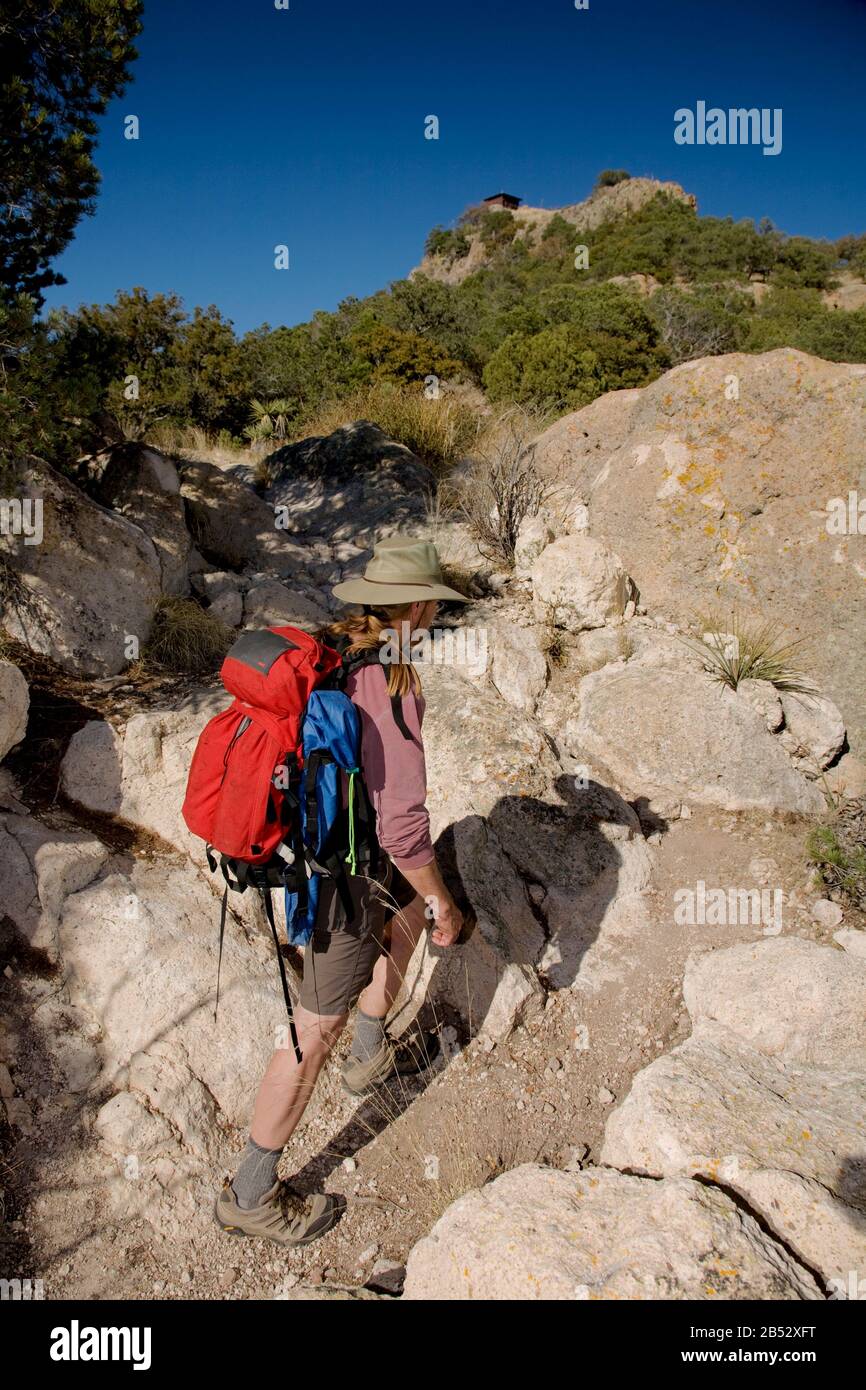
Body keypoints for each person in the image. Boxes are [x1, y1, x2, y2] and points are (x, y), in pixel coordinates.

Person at [215, 536, 470, 1245]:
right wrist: (446, 899)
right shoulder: (393, 681)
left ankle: (369, 1053)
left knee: (410, 906)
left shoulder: (331, 648)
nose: (436, 619)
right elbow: (402, 826)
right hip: (340, 877)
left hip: (328, 852)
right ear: (415, 606)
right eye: (434, 607)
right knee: (310, 1029)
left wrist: (424, 894)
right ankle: (251, 1191)